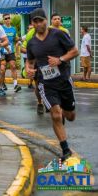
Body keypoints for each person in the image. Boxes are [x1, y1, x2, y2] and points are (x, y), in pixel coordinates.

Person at [26, 8, 79, 161]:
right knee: (56, 114)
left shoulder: (58, 34)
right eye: (35, 21)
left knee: (70, 116)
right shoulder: (31, 43)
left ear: (46, 20)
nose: (38, 24)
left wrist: (60, 60)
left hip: (63, 80)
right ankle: (65, 149)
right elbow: (30, 62)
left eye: (40, 20)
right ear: (32, 23)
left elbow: (74, 51)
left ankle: (64, 110)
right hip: (45, 83)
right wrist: (29, 70)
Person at [0, 14, 21, 96]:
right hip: (2, 52)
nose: (7, 20)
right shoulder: (1, 29)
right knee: (2, 69)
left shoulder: (13, 29)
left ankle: (15, 85)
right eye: (5, 18)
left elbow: (15, 39)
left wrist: (19, 40)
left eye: (8, 18)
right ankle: (1, 86)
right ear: (3, 20)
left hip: (10, 51)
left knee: (13, 66)